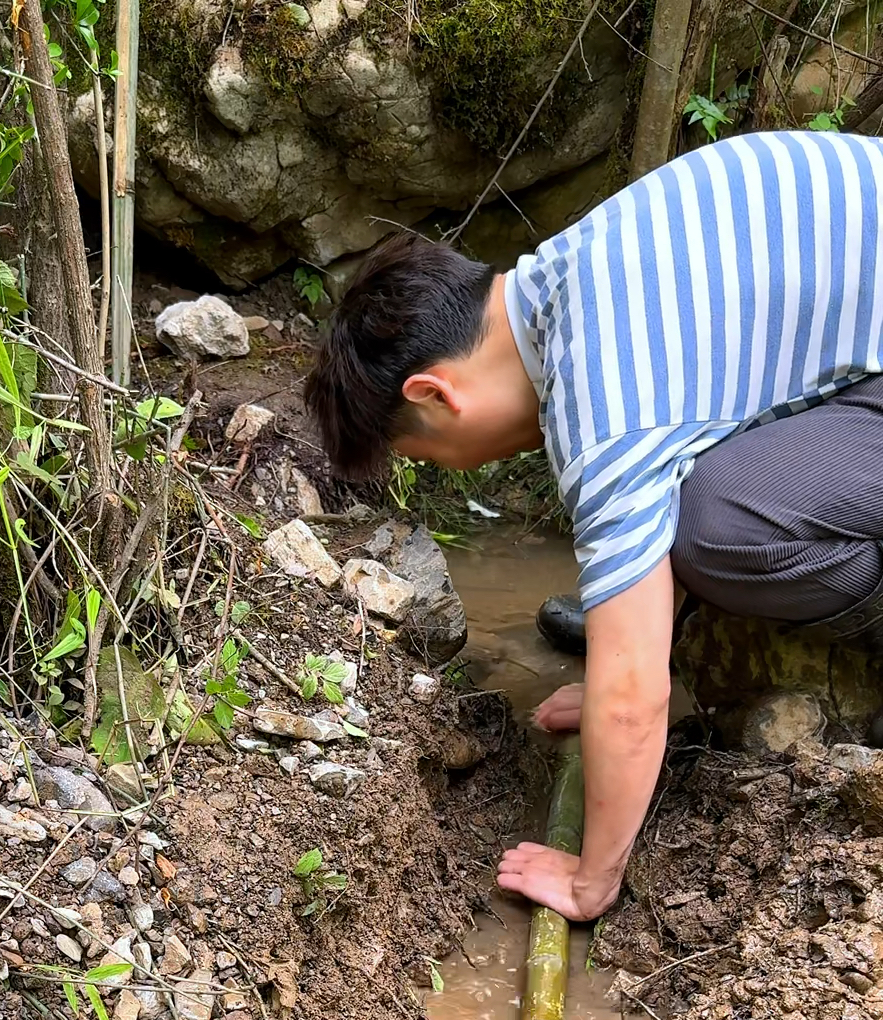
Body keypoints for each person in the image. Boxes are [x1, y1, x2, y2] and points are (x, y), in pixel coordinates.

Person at [304, 128, 883, 921]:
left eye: (431, 457)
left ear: (436, 395)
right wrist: (623, 664)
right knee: (710, 500)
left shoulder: (600, 397)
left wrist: (589, 877)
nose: (456, 471)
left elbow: (630, 703)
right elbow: (689, 447)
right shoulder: (582, 269)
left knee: (723, 530)